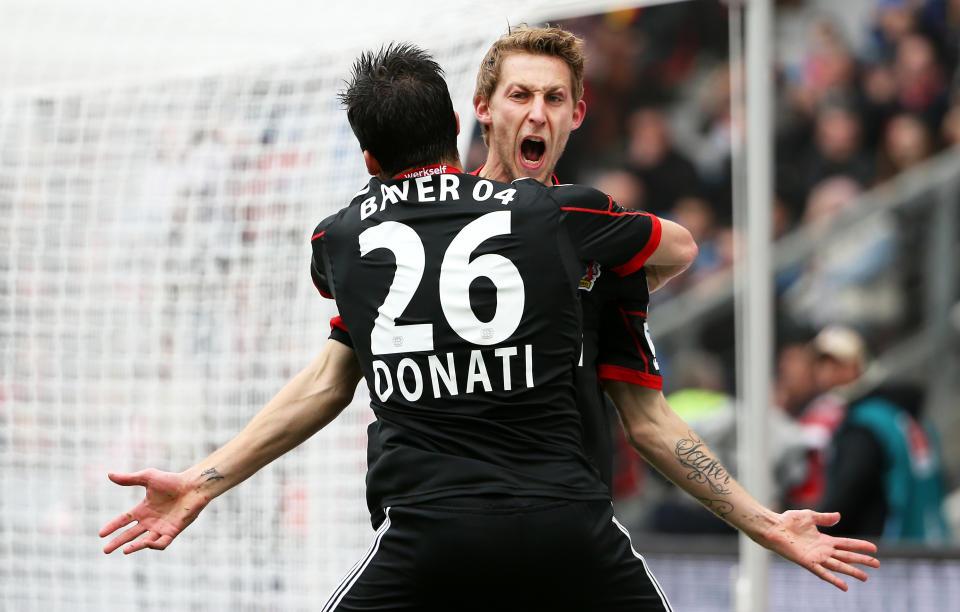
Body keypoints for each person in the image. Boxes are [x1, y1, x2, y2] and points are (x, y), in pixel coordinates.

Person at [101, 29, 879, 603]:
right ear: (482, 110)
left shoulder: (586, 243)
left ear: (577, 113)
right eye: (519, 95)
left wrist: (764, 522)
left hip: (549, 534)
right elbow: (327, 380)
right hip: (463, 533)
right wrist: (207, 480)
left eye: (553, 98)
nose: (536, 112)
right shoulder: (544, 235)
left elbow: (649, 421)